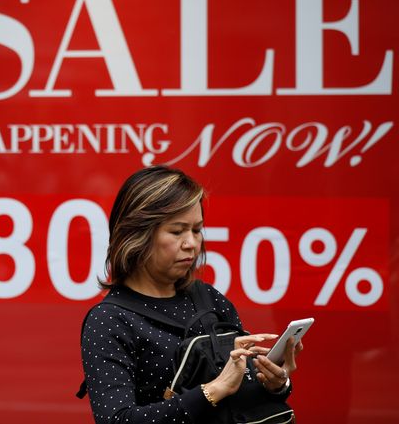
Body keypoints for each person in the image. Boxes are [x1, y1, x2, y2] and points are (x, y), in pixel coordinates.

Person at [81, 165, 303, 423]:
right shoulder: (109, 320)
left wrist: (275, 383)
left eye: (197, 230)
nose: (191, 243)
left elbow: (242, 399)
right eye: (177, 232)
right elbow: (116, 420)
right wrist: (213, 390)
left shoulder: (210, 299)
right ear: (137, 234)